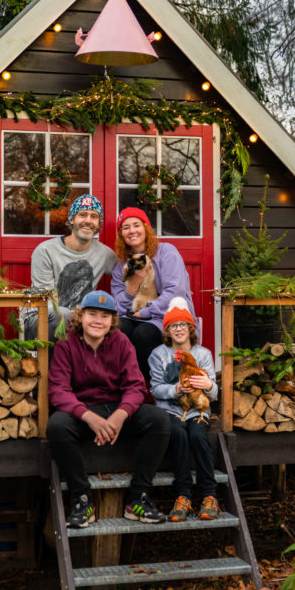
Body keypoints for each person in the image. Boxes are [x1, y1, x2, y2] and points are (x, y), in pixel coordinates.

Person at [46, 290, 170, 528]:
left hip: (115, 409)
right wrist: (89, 417)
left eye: (105, 316)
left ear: (112, 320)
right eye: (92, 314)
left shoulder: (122, 342)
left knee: (160, 420)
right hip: (83, 412)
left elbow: (136, 386)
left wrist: (120, 416)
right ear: (80, 316)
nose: (97, 320)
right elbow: (58, 390)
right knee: (56, 426)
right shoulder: (66, 343)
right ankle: (82, 499)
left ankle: (137, 498)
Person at [148, 297, 220, 522]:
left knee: (198, 435)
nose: (178, 329)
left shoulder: (203, 354)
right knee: (178, 434)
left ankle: (209, 495)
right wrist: (177, 388)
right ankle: (183, 495)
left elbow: (214, 391)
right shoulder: (158, 354)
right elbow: (155, 389)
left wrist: (207, 385)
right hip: (170, 411)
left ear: (191, 328)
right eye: (173, 325)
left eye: (183, 325)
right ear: (167, 331)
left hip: (198, 410)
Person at [111, 207, 198, 383]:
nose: (132, 231)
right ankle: (122, 388)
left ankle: (146, 389)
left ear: (146, 228)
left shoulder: (166, 252)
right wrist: (134, 283)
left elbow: (175, 291)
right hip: (133, 316)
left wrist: (144, 312)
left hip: (167, 316)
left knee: (143, 334)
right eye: (125, 227)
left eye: (136, 225)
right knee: (119, 330)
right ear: (121, 234)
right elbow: (119, 306)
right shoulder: (120, 266)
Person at [24, 195, 116, 341]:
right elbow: (44, 302)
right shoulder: (46, 251)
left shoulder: (105, 254)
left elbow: (126, 275)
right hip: (40, 319)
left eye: (94, 216)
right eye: (82, 215)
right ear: (72, 219)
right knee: (62, 315)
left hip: (82, 324)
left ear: (99, 224)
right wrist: (84, 320)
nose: (88, 220)